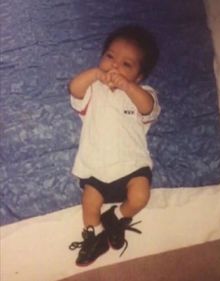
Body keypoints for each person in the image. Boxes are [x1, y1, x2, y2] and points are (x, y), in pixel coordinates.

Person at [68, 25, 161, 266]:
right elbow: (74, 89)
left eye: (127, 64)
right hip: (95, 170)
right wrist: (94, 75)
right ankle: (96, 236)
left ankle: (117, 217)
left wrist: (128, 87)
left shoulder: (142, 92)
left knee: (140, 197)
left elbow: (147, 107)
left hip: (132, 167)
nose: (115, 65)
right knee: (89, 207)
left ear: (139, 76)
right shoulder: (92, 90)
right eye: (110, 56)